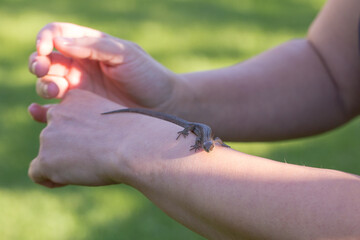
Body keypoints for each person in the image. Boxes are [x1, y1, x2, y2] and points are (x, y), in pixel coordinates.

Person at [27, 0, 360, 239]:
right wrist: (175, 97)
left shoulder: (204, 143)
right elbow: (333, 67)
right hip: (189, 122)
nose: (207, 147)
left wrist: (130, 144)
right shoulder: (201, 138)